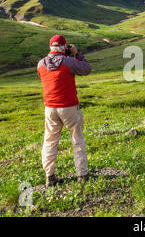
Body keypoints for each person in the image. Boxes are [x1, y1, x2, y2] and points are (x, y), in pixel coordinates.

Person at [37, 35, 91, 187]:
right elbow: (86, 69)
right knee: (77, 138)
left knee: (50, 141)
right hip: (69, 107)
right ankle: (82, 173)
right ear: (64, 47)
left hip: (50, 108)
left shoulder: (40, 64)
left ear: (50, 47)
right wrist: (76, 53)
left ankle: (50, 176)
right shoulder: (69, 62)